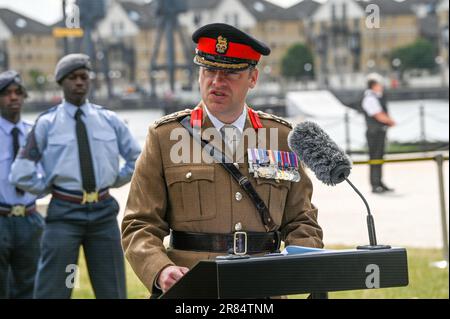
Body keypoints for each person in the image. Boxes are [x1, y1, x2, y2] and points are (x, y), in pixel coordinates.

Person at [121, 23, 323, 298]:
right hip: (191, 289)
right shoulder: (165, 137)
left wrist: (297, 264)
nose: (217, 81)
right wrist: (159, 269)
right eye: (209, 70)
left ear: (253, 78)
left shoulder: (280, 137)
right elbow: (139, 224)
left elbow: (302, 220)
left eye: (230, 73)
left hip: (262, 289)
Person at [10, 54, 141, 299]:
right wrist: (48, 186)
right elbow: (20, 171)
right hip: (64, 214)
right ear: (61, 82)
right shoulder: (46, 124)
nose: (79, 82)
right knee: (54, 290)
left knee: (112, 290)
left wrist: (116, 178)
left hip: (103, 212)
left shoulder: (109, 120)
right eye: (72, 78)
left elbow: (139, 158)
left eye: (83, 77)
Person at [0, 70, 44, 298]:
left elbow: (47, 174)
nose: (14, 97)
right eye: (7, 93)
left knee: (29, 286)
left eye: (18, 92)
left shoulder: (35, 133)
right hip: (1, 218)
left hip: (29, 218)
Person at [361, 73, 396, 194]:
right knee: (375, 158)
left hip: (378, 132)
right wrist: (390, 121)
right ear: (374, 85)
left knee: (379, 157)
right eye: (379, 84)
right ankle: (375, 184)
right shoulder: (370, 98)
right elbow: (378, 115)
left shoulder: (374, 97)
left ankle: (379, 182)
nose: (381, 86)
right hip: (374, 133)